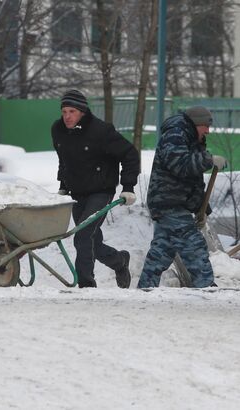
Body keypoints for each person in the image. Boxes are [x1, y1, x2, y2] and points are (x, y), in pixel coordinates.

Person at [51, 89, 140, 288]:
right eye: (64, 111)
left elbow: (129, 154)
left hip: (101, 191)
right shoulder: (58, 130)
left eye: (71, 111)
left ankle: (86, 285)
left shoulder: (101, 131)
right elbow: (63, 160)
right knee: (91, 242)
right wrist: (63, 186)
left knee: (83, 235)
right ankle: (120, 261)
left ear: (82, 111)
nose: (66, 116)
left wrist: (128, 186)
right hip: (77, 193)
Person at [137, 106, 227, 288]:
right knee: (194, 246)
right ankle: (207, 287)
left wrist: (201, 208)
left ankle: (146, 288)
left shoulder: (191, 137)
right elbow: (179, 165)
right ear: (195, 124)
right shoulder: (175, 135)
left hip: (175, 202)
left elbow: (192, 179)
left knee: (162, 251)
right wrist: (208, 161)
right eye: (205, 126)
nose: (207, 131)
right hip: (169, 202)